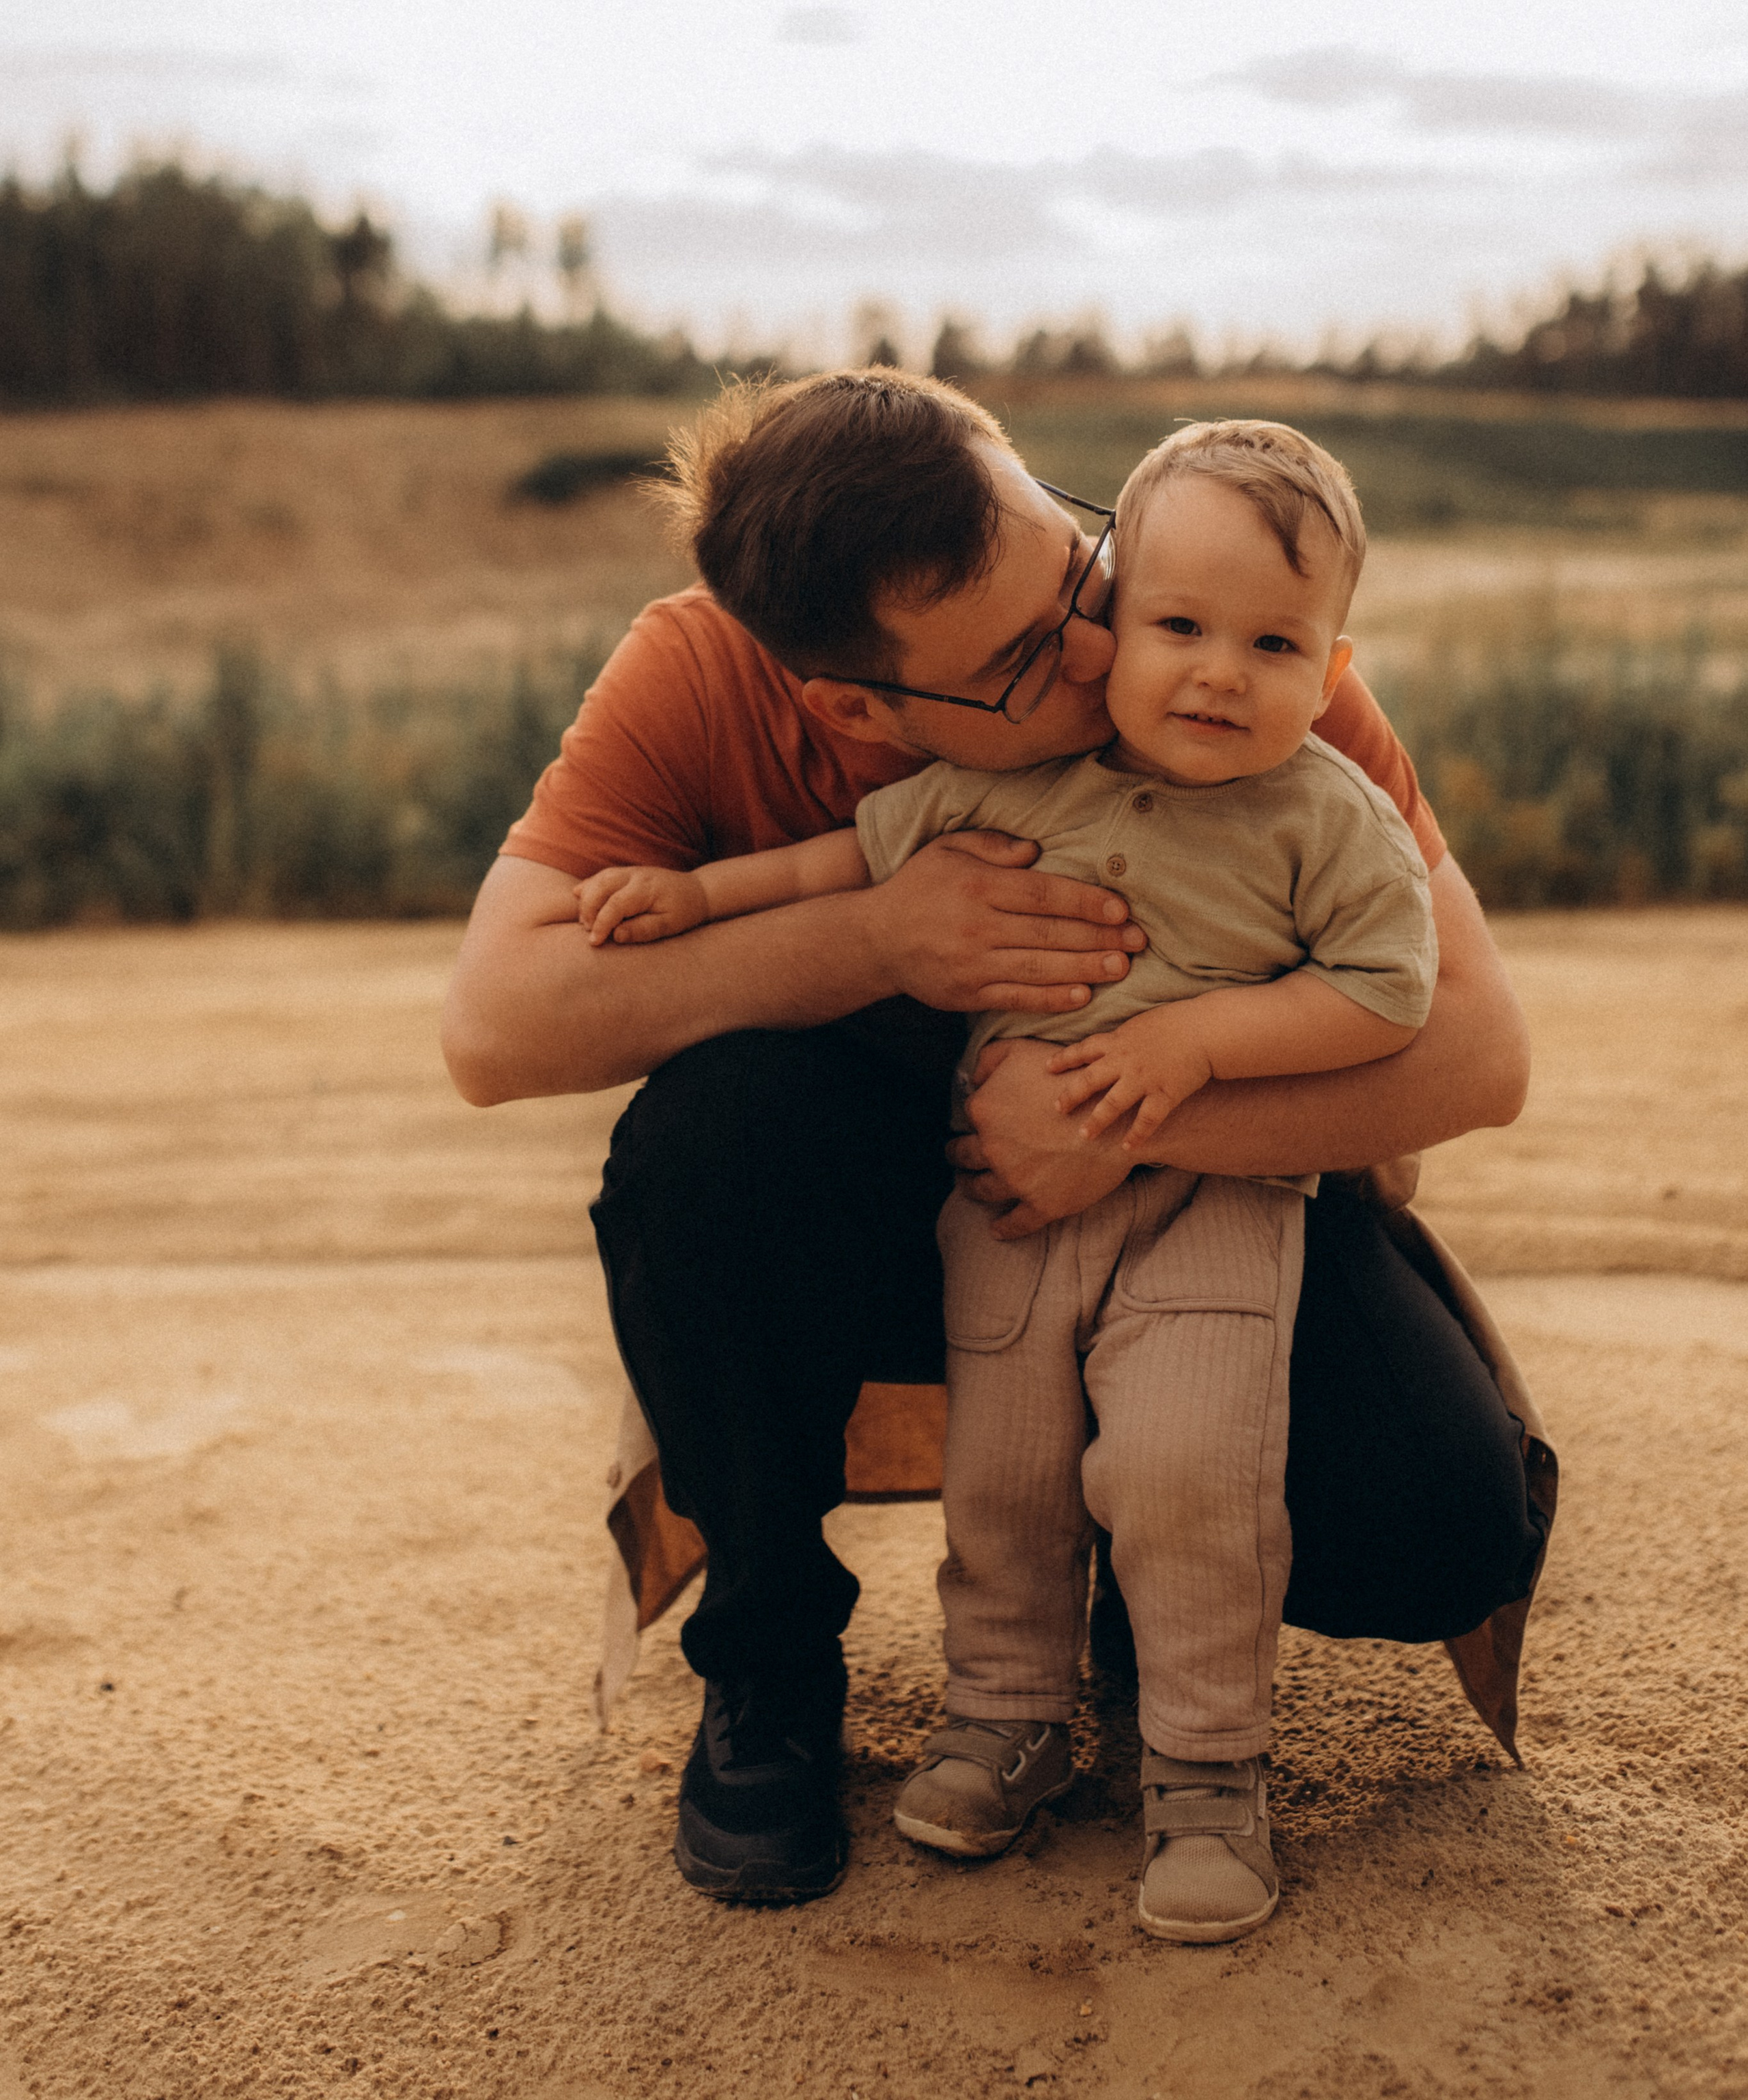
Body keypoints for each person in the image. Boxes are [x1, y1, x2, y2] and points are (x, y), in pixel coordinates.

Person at [441, 370, 1547, 1911]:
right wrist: (887, 935)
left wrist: (1132, 1113)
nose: (1102, 643)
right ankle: (766, 1661)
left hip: (1200, 1191)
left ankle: (1137, 1604)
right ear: (856, 706)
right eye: (1031, 653)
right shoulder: (704, 671)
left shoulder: (1216, 637)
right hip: (890, 1213)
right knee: (704, 1148)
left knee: (1438, 1530)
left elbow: (1474, 1050)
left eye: (1076, 567)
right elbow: (494, 1026)